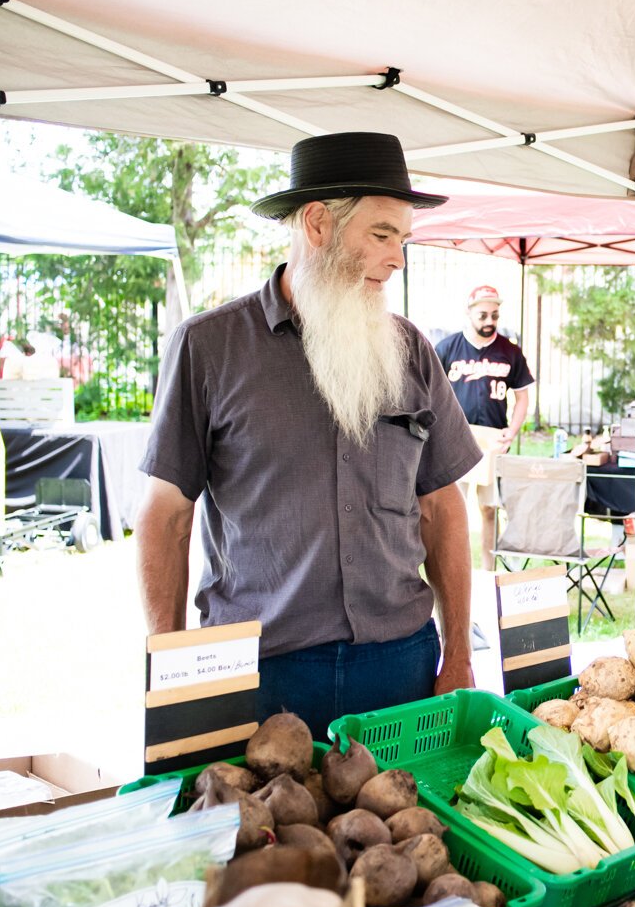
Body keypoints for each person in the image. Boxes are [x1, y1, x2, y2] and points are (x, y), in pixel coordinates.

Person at [136, 132, 481, 734]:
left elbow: (441, 507)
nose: (397, 258)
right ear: (318, 224)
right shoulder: (209, 347)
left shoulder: (411, 351)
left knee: (410, 829)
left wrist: (459, 654)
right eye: (381, 235)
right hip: (263, 672)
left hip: (400, 664)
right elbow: (165, 516)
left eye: (402, 239)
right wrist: (175, 673)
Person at [434, 284, 534, 571]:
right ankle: (455, 569)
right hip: (457, 439)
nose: (489, 321)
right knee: (454, 509)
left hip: (492, 441)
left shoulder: (509, 351)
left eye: (494, 315)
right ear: (469, 313)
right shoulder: (447, 348)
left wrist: (511, 432)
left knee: (489, 509)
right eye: (483, 315)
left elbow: (523, 395)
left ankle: (488, 571)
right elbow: (432, 394)